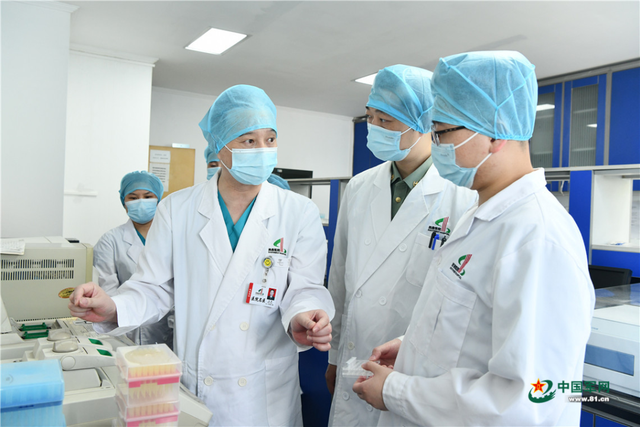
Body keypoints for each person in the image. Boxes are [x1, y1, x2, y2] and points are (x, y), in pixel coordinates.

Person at [353, 51, 595, 426]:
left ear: (495, 133)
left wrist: (396, 391)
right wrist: (412, 349)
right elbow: (470, 331)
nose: (435, 145)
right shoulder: (481, 216)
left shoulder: (537, 239)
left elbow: (526, 401)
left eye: (442, 132)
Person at [69, 85, 335, 426]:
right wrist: (114, 306)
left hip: (264, 392)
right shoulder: (177, 209)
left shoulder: (299, 211)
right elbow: (153, 287)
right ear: (220, 145)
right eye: (248, 140)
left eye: (270, 139)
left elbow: (305, 287)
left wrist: (303, 315)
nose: (262, 150)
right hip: (201, 382)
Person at [326, 64, 477, 427]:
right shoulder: (359, 187)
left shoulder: (462, 195)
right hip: (353, 358)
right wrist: (333, 357)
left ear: (424, 123)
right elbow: (340, 277)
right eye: (370, 117)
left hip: (414, 371)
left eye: (386, 120)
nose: (374, 128)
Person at [92, 171, 173, 347]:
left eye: (148, 196)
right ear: (124, 202)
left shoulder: (172, 237)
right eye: (133, 197)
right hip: (126, 331)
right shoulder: (110, 240)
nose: (141, 202)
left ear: (158, 200)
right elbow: (107, 291)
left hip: (168, 329)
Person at [206, 144, 291, 190]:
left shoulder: (275, 185)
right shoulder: (201, 193)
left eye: (270, 139)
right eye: (213, 165)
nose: (219, 169)